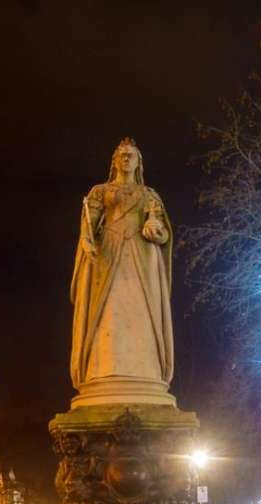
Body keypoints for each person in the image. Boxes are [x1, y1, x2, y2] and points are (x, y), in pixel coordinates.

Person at [69, 138, 174, 406]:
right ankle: (104, 369)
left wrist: (155, 230)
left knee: (142, 313)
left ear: (139, 161)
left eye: (131, 155)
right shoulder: (99, 191)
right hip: (109, 255)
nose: (126, 159)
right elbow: (88, 228)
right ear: (114, 161)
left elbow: (162, 234)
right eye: (122, 155)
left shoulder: (150, 195)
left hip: (141, 258)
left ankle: (144, 370)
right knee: (109, 313)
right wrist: (87, 241)